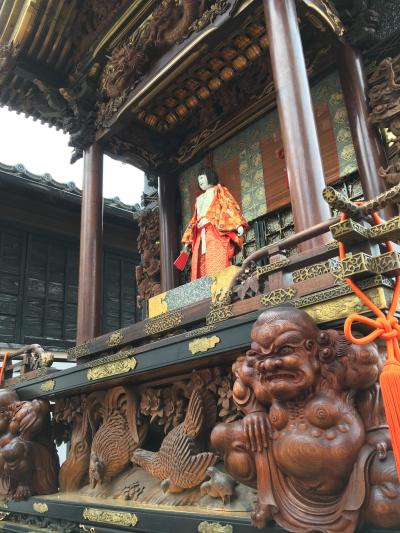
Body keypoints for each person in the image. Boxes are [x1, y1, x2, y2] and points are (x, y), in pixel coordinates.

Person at [180, 167, 248, 281]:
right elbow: (194, 220)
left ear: (210, 177)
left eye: (202, 178)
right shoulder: (199, 199)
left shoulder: (219, 190)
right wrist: (187, 241)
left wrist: (237, 224)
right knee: (200, 262)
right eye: (199, 179)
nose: (200, 181)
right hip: (199, 234)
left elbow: (228, 205)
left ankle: (220, 284)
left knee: (216, 258)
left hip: (213, 231)